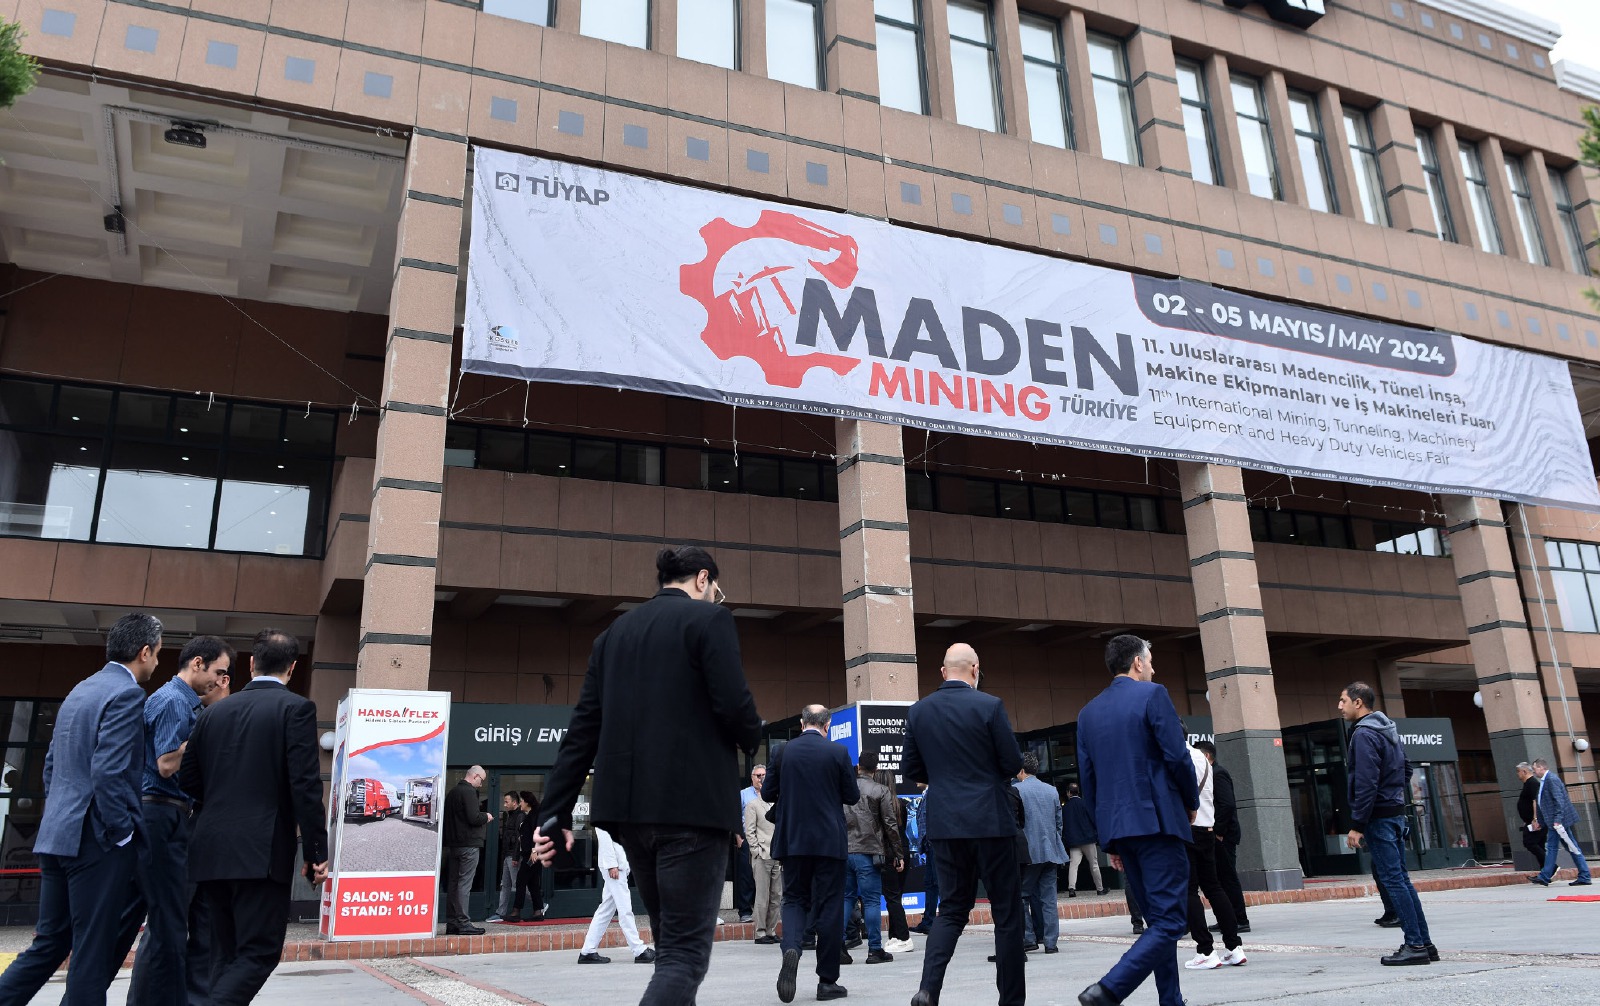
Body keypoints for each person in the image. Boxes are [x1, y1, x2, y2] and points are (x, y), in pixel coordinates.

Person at [535, 545, 763, 1006]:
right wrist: (751, 734)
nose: (715, 597)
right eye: (716, 589)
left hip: (630, 817)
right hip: (693, 810)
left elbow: (582, 732)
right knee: (684, 957)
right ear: (703, 579)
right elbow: (734, 705)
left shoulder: (613, 635)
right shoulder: (710, 620)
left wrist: (554, 813)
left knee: (670, 951)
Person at [0, 613, 161, 1005]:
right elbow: (108, 771)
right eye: (157, 654)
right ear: (144, 652)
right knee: (92, 950)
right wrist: (121, 832)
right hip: (96, 840)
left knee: (50, 943)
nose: (157, 662)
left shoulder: (80, 690)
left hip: (57, 834)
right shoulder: (127, 694)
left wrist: (62, 812)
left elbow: (51, 765)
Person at [180, 628, 328, 1003]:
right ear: (292, 668)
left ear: (250, 664)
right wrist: (316, 852)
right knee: (259, 952)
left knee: (223, 953)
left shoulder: (212, 713)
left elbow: (188, 779)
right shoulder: (296, 709)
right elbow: (305, 787)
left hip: (210, 848)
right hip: (261, 851)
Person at [1074, 635, 1199, 1006]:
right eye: (1151, 661)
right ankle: (1109, 989)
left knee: (1158, 921)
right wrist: (1190, 801)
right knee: (1171, 921)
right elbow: (1177, 757)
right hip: (1158, 823)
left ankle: (1171, 1000)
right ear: (1138, 663)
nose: (1154, 669)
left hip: (1120, 829)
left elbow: (1089, 781)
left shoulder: (1088, 713)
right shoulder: (1153, 695)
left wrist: (1108, 839)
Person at [902, 643, 1025, 1006]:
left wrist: (945, 778)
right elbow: (1011, 763)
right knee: (1006, 913)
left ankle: (928, 989)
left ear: (943, 672)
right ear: (975, 669)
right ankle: (1011, 1000)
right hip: (991, 820)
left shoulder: (919, 711)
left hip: (945, 822)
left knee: (952, 909)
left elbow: (910, 768)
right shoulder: (990, 706)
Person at [116, 635, 233, 1006]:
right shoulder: (172, 700)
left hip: (172, 817)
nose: (219, 680)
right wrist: (207, 729)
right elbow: (167, 763)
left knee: (174, 920)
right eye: (218, 672)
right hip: (161, 813)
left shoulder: (186, 702)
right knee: (166, 922)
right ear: (197, 663)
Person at [765, 704, 858, 1003]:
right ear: (827, 725)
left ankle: (792, 947)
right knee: (830, 907)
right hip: (829, 842)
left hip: (792, 841)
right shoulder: (838, 753)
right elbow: (852, 796)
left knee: (794, 899)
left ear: (802, 723)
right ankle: (827, 982)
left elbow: (767, 793)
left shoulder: (781, 752)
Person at [1339, 681, 1436, 966]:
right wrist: (1392, 795)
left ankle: (1415, 945)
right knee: (1401, 879)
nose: (1340, 706)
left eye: (1343, 700)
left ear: (1358, 702)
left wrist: (1357, 824)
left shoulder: (1364, 734)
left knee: (1393, 881)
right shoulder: (1387, 729)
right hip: (1393, 813)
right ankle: (1425, 944)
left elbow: (1366, 781)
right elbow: (1406, 768)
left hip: (1379, 817)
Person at [186, 659, 232, 1006]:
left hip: (207, 837)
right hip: (193, 834)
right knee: (174, 928)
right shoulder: (197, 716)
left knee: (204, 929)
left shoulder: (220, 720)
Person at [1180, 741, 1245, 970]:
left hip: (1187, 829)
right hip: (1207, 829)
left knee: (1189, 890)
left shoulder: (1177, 757)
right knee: (1214, 887)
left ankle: (1206, 950)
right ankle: (1234, 947)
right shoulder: (1203, 758)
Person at [843, 749, 903, 965]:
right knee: (871, 900)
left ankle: (837, 946)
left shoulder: (844, 788)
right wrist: (898, 853)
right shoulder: (881, 790)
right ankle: (875, 949)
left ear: (858, 767)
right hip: (869, 852)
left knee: (846, 898)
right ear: (876, 769)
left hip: (845, 851)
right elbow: (890, 824)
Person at [578, 825, 658, 964]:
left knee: (605, 910)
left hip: (619, 865)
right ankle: (639, 950)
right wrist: (611, 865)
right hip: (614, 868)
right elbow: (604, 835)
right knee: (625, 909)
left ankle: (588, 951)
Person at [1195, 740, 1251, 935]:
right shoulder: (1210, 773)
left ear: (1207, 756)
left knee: (1227, 878)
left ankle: (1240, 919)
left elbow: (1227, 804)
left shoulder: (1218, 773)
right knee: (1218, 879)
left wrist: (1218, 831)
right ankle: (1226, 918)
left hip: (1223, 835)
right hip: (1216, 834)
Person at [1015, 753, 1067, 954]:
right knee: (1049, 899)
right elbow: (1058, 823)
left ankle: (1029, 937)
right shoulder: (1051, 790)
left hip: (1028, 852)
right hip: (1051, 850)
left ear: (1021, 770)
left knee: (1021, 896)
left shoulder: (1017, 790)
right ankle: (1051, 942)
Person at [442, 766, 494, 935]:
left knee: (453, 884)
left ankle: (452, 923)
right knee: (464, 884)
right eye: (481, 780)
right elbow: (474, 817)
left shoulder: (452, 793)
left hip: (453, 846)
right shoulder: (469, 792)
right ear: (475, 776)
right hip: (468, 845)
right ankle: (464, 923)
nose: (481, 784)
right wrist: (486, 816)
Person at [1529, 757, 1593, 887]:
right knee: (1570, 847)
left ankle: (1546, 876)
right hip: (1555, 822)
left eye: (1534, 769)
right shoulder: (1545, 780)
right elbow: (1542, 803)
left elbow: (1559, 801)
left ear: (1541, 767)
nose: (1534, 772)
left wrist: (1557, 820)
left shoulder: (1551, 780)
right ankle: (1584, 875)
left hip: (1558, 822)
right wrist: (1541, 821)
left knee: (1556, 847)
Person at [874, 766, 914, 956]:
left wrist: (897, 855)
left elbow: (890, 833)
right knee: (895, 897)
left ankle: (904, 937)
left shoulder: (882, 805)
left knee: (892, 897)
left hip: (892, 853)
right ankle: (895, 935)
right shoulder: (900, 804)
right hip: (902, 851)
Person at [743, 767, 782, 944]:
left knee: (776, 896)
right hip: (762, 854)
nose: (761, 779)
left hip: (778, 854)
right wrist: (756, 851)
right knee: (762, 896)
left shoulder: (778, 803)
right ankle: (760, 933)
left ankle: (771, 930)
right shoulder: (752, 805)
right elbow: (749, 831)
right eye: (758, 776)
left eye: (764, 776)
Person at [487, 792, 527, 924]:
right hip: (507, 855)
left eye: (506, 802)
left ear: (514, 802)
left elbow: (519, 838)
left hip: (514, 856)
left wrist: (515, 856)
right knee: (505, 885)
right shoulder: (510, 816)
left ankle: (539, 904)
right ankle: (501, 912)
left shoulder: (520, 816)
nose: (504, 804)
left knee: (518, 884)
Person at [1061, 783, 1105, 898]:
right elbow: (1093, 820)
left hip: (1074, 841)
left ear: (1069, 793)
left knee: (1073, 865)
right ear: (1078, 792)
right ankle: (1100, 889)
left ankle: (1071, 889)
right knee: (1094, 864)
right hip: (1088, 839)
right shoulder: (1085, 804)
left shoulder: (1065, 808)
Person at [908, 783, 939, 935]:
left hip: (935, 845)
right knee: (929, 883)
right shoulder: (926, 794)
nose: (915, 781)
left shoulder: (933, 794)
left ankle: (939, 922)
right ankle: (928, 921)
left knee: (936, 882)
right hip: (929, 846)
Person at [513, 791, 546, 921]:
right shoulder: (531, 815)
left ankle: (516, 912)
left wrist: (534, 850)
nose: (520, 803)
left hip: (532, 855)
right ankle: (538, 912)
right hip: (531, 854)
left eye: (521, 801)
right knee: (533, 883)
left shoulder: (535, 815)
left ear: (527, 802)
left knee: (521, 881)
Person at [1515, 762, 1547, 868]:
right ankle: (1546, 871)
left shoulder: (1532, 783)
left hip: (1535, 821)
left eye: (1518, 771)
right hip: (1530, 821)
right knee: (1539, 845)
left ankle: (1551, 866)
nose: (1517, 774)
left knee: (1530, 843)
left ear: (1524, 771)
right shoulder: (1528, 784)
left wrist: (1535, 818)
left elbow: (1535, 801)